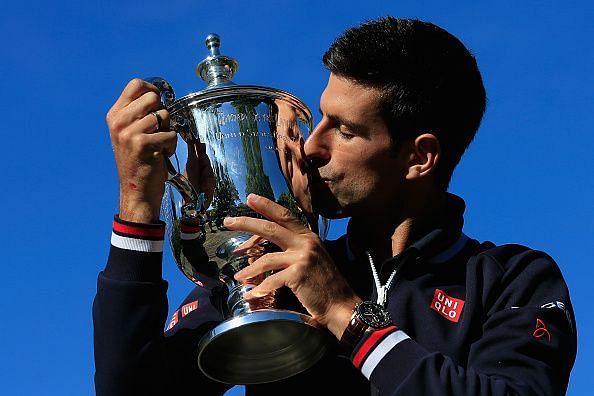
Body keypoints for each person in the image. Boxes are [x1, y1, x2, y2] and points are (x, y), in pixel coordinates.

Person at [94, 17, 577, 395]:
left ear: (418, 158)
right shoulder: (274, 267)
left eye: (344, 130)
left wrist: (345, 313)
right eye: (320, 117)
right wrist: (138, 202)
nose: (311, 146)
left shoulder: (513, 278)